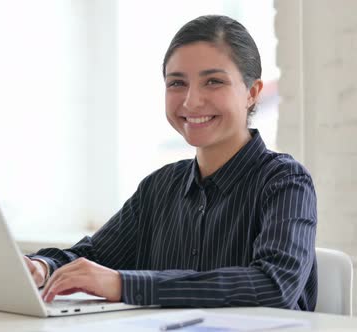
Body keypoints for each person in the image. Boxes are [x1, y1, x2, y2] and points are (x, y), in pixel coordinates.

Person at [23, 14, 317, 310]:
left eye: (213, 81)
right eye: (177, 83)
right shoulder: (159, 187)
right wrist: (43, 267)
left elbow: (275, 286)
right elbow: (93, 257)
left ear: (252, 94)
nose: (191, 101)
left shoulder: (285, 182)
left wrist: (125, 284)